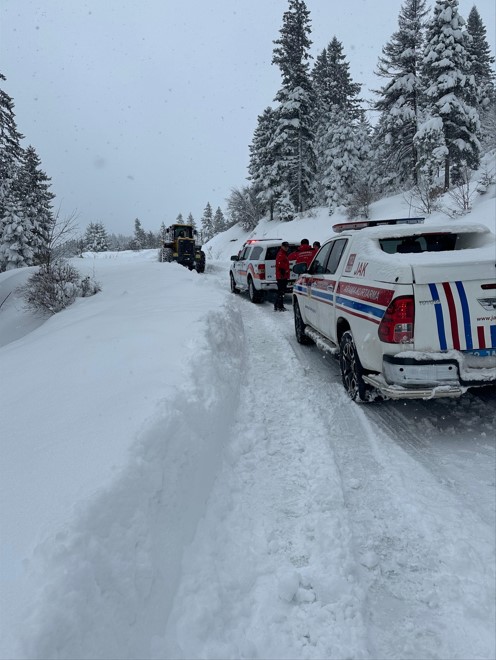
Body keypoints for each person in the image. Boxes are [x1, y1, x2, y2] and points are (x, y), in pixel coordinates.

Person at [274, 241, 291, 311]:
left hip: (283, 276)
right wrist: (284, 271)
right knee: (281, 291)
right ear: (282, 246)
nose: (286, 248)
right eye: (285, 246)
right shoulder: (281, 254)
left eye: (287, 246)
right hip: (282, 276)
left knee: (281, 291)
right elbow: (280, 265)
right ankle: (279, 306)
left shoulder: (283, 253)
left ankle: (278, 305)